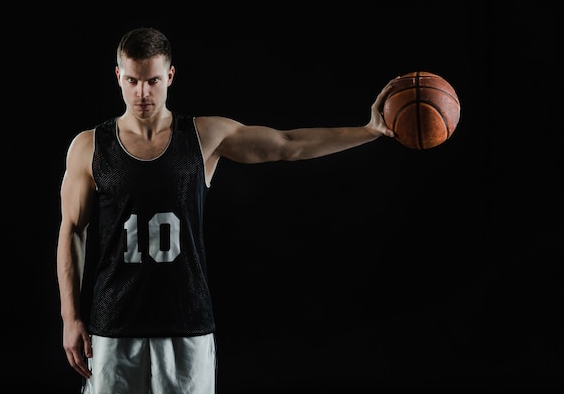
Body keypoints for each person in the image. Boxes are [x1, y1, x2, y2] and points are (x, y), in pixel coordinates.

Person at [56, 26, 396, 394]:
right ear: (118, 76)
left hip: (187, 324)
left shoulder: (203, 136)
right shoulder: (89, 146)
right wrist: (70, 317)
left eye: (153, 80)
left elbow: (287, 144)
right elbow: (72, 231)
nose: (142, 92)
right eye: (133, 80)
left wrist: (369, 130)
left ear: (169, 76)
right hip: (112, 325)